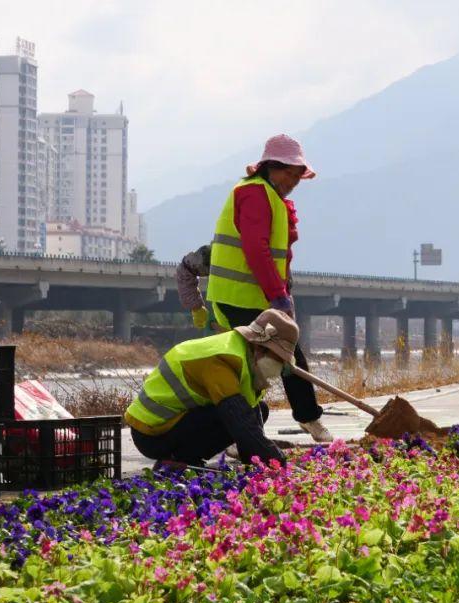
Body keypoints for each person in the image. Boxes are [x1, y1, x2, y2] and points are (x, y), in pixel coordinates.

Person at [206, 134, 332, 442]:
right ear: (270, 167)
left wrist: (282, 291)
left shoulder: (272, 198)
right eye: (288, 173)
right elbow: (256, 248)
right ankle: (283, 425)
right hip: (240, 296)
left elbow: (277, 255)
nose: (292, 181)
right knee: (267, 360)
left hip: (258, 296)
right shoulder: (254, 194)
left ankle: (285, 423)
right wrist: (277, 294)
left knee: (274, 359)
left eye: (296, 177)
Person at [125, 309, 296, 467]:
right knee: (234, 414)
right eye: (279, 358)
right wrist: (279, 463)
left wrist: (255, 461)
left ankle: (186, 457)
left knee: (259, 410)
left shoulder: (244, 355)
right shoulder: (222, 360)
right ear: (260, 348)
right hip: (153, 434)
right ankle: (177, 459)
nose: (281, 367)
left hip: (176, 423)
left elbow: (250, 417)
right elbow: (241, 422)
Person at [175, 243, 219, 332]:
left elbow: (186, 268)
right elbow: (187, 268)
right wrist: (196, 307)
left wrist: (196, 307)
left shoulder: (221, 248)